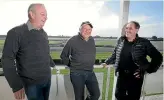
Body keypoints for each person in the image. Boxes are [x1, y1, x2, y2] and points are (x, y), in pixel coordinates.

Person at [1, 3, 55, 100]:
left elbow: (45, 53)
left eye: (46, 15)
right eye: (43, 14)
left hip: (47, 80)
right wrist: (16, 85)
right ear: (32, 14)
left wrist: (52, 64)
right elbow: (7, 59)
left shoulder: (44, 34)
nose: (46, 17)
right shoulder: (16, 33)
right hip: (32, 84)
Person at [102, 21, 163, 100]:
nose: (127, 30)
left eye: (130, 28)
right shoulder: (121, 40)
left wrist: (148, 69)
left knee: (133, 97)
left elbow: (158, 57)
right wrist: (106, 62)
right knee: (118, 96)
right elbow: (115, 54)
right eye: (126, 28)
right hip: (121, 75)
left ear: (137, 30)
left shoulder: (144, 43)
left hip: (135, 77)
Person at [60, 21, 100, 100]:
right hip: (77, 74)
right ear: (80, 29)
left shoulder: (92, 40)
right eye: (84, 29)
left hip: (90, 72)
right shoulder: (73, 40)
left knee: (96, 94)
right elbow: (63, 56)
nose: (87, 31)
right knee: (79, 97)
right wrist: (72, 65)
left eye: (89, 29)